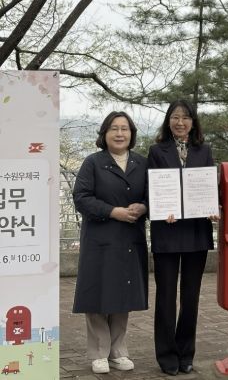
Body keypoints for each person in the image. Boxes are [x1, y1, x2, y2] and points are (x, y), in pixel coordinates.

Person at [72, 111, 148, 375]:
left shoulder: (141, 163)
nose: (119, 133)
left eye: (124, 129)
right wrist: (112, 211)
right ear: (104, 133)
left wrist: (144, 207)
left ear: (131, 134)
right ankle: (99, 352)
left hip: (130, 238)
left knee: (122, 293)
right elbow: (81, 197)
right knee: (97, 294)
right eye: (114, 128)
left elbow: (154, 196)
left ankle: (118, 351)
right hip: (100, 238)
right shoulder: (93, 162)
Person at [147, 99, 216, 376]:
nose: (180, 122)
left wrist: (213, 208)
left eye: (186, 117)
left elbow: (210, 188)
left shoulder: (204, 151)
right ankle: (166, 355)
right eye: (175, 117)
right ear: (168, 121)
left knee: (191, 297)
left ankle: (186, 353)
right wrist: (160, 208)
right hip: (167, 230)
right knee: (165, 296)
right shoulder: (156, 151)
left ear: (193, 122)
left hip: (196, 232)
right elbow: (151, 188)